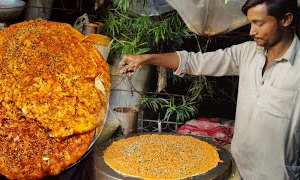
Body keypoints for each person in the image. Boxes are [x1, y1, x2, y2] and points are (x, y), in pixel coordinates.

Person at [118, 0, 300, 179]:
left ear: (286, 19)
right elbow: (197, 62)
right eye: (251, 23)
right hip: (236, 169)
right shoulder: (248, 53)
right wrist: (146, 58)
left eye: (259, 23)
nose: (251, 31)